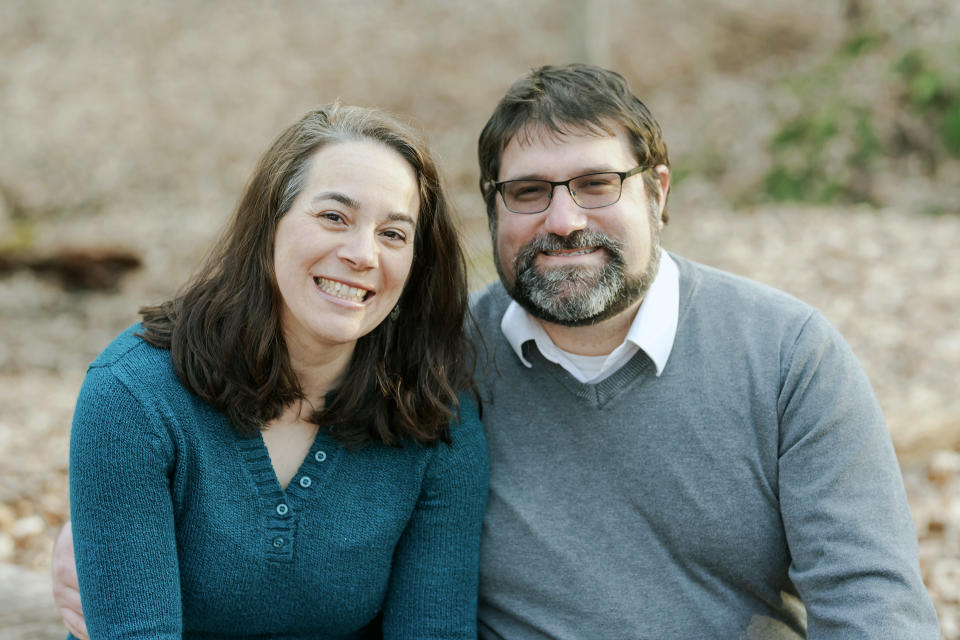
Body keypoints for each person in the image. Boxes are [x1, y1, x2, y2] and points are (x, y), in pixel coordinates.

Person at [54, 64, 939, 638]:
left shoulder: (787, 357)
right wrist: (103, 532)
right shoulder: (448, 360)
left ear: (658, 192)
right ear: (491, 211)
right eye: (528, 192)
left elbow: (874, 609)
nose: (563, 220)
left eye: (597, 184)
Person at [59, 102, 488, 639]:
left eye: (394, 234)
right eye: (334, 217)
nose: (362, 254)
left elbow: (433, 629)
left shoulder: (432, 415)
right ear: (268, 228)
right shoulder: (134, 396)